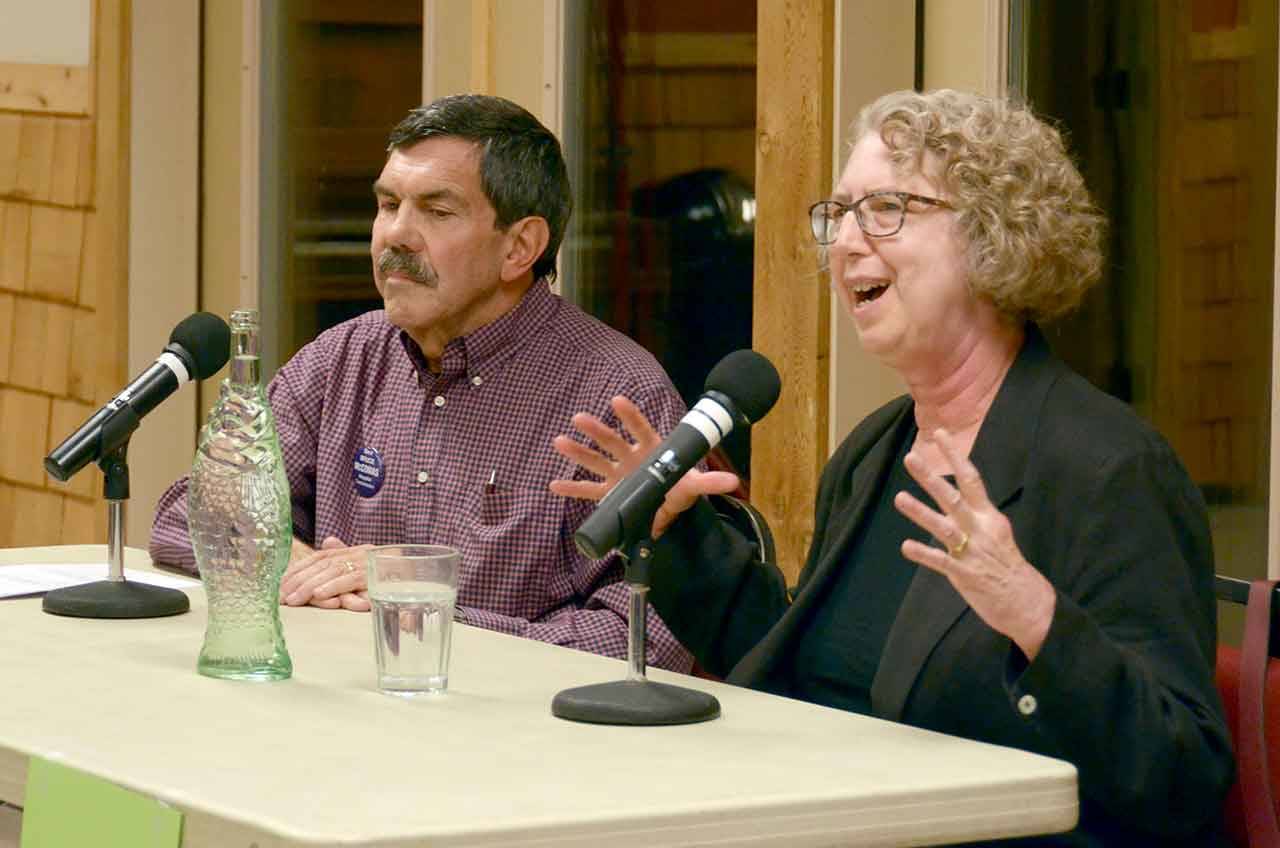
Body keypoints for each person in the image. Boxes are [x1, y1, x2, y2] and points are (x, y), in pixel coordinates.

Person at [551, 89, 1233, 844]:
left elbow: (1183, 775)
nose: (845, 243)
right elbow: (799, 672)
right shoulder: (875, 449)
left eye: (886, 209)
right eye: (840, 214)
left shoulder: (1108, 467)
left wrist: (1037, 618)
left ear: (993, 234)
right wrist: (678, 532)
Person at [151, 94, 692, 672]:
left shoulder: (616, 395)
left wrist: (418, 606)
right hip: (330, 696)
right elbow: (191, 515)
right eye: (388, 205)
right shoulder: (342, 357)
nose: (396, 236)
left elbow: (648, 640)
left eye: (437, 212)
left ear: (520, 247)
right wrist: (299, 568)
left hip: (511, 719)